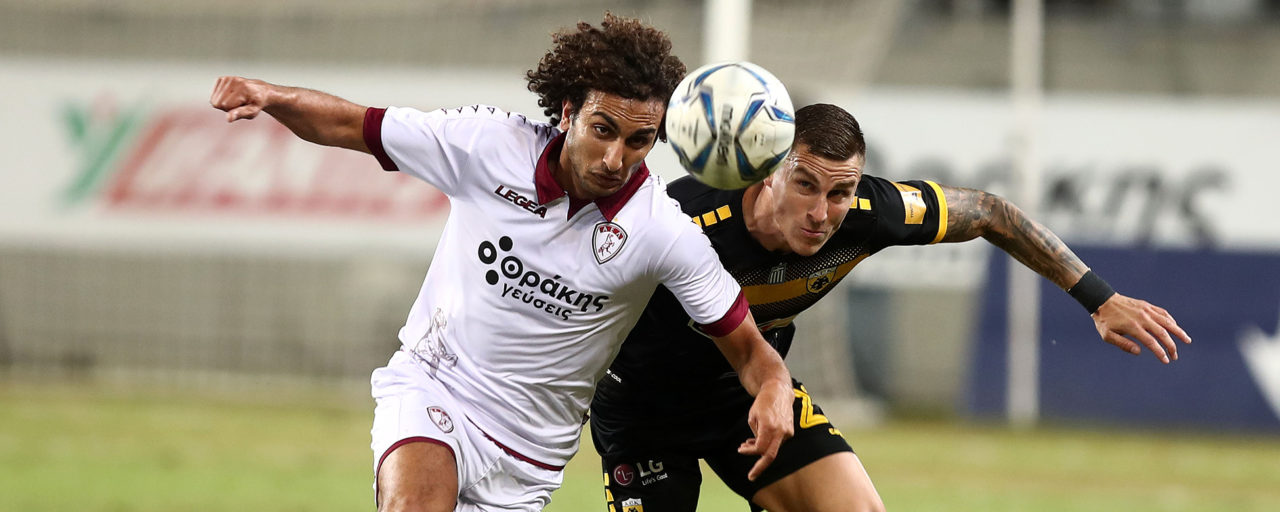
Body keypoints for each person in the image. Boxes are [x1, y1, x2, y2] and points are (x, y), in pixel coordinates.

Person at [209, 14, 797, 512]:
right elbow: (352, 124)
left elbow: (749, 350)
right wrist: (272, 97)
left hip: (529, 452)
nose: (615, 158)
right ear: (567, 112)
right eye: (603, 130)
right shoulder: (488, 146)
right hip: (437, 385)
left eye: (638, 141)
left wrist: (773, 389)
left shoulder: (663, 233)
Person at [590, 103, 1192, 512]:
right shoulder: (680, 219)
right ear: (769, 172)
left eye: (841, 191)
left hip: (750, 398)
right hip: (645, 412)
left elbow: (989, 212)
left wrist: (1099, 298)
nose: (822, 213)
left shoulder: (870, 215)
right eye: (805, 184)